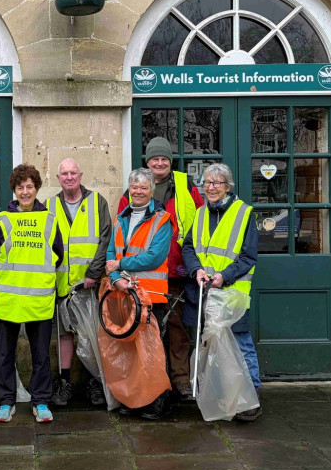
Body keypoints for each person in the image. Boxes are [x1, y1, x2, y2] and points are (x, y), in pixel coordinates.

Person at [118, 137, 203, 399]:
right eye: (154, 158)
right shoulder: (134, 190)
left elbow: (200, 222)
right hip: (141, 277)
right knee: (143, 330)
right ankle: (150, 383)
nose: (159, 162)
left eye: (164, 158)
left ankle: (180, 380)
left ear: (170, 161)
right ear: (147, 161)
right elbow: (121, 231)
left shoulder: (185, 186)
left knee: (177, 327)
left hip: (176, 271)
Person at [0, 164, 68, 424]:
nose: (25, 191)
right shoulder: (3, 220)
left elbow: (58, 256)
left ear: (37, 188)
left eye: (30, 186)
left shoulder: (49, 220)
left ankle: (40, 401)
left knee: (40, 354)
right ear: (14, 190)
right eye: (21, 187)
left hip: (39, 298)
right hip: (6, 299)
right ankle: (7, 401)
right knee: (6, 353)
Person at [182, 162, 263, 422]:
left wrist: (224, 277)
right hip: (203, 291)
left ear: (228, 186)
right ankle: (220, 394)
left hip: (232, 293)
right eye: (207, 183)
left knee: (240, 343)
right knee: (209, 344)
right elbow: (188, 248)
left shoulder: (245, 213)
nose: (211, 187)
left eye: (217, 183)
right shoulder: (200, 213)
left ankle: (251, 399)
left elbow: (249, 257)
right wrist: (196, 270)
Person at [106, 167, 175, 420]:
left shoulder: (162, 219)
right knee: (132, 352)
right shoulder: (121, 217)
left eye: (143, 187)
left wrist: (120, 267)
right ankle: (135, 400)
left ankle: (158, 402)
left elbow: (154, 257)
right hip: (125, 294)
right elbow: (111, 254)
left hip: (151, 296)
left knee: (153, 353)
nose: (138, 191)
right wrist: (115, 280)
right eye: (134, 186)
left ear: (151, 190)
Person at [45, 157, 112, 407]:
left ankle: (95, 382)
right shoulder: (49, 205)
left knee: (93, 334)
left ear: (81, 175)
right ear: (58, 178)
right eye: (64, 174)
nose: (69, 177)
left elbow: (106, 239)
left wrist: (94, 274)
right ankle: (64, 383)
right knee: (64, 335)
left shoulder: (97, 202)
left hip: (91, 284)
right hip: (62, 284)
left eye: (73, 173)